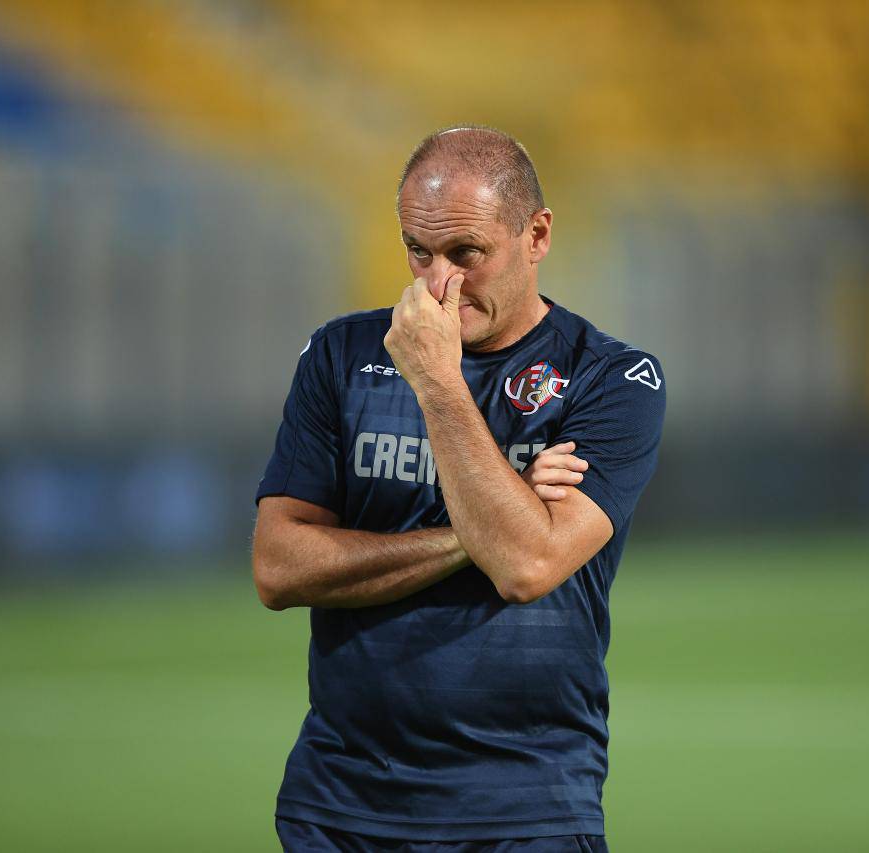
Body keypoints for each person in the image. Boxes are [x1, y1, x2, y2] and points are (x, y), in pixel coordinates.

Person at [251, 125, 666, 852]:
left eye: (466, 253)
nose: (438, 281)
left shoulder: (611, 379)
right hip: (342, 804)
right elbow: (279, 568)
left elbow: (526, 565)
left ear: (537, 235)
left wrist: (439, 381)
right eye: (418, 250)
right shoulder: (341, 356)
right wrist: (482, 528)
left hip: (525, 805)